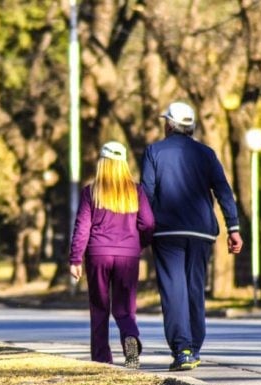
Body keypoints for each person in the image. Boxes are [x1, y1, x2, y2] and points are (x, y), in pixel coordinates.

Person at [140, 101, 243, 371]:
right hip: (200, 231)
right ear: (191, 126)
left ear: (169, 124)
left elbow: (146, 194)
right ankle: (194, 347)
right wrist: (233, 228)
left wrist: (143, 230)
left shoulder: (154, 151)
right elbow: (224, 191)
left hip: (167, 231)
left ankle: (183, 349)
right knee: (195, 288)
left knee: (173, 290)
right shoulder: (206, 154)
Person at [69, 141, 155, 369]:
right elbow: (148, 222)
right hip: (128, 255)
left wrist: (75, 258)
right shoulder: (136, 191)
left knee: (99, 306)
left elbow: (82, 228)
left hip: (98, 254)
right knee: (125, 306)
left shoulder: (91, 192)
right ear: (124, 163)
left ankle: (101, 358)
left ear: (102, 163)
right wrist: (139, 245)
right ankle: (130, 336)